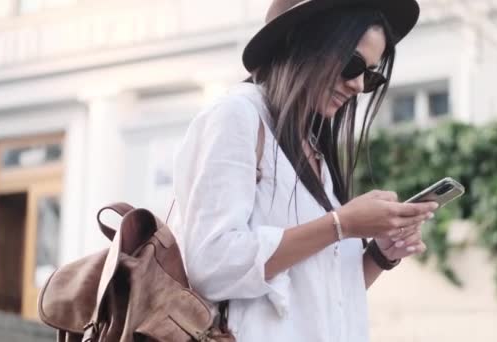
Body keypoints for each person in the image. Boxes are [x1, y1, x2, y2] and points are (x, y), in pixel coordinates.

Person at [170, 0, 438, 341]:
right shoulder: (237, 116)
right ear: (303, 42)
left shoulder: (311, 147)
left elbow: (321, 297)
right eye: (351, 63)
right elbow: (210, 264)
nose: (357, 85)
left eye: (369, 75)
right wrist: (342, 224)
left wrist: (380, 255)